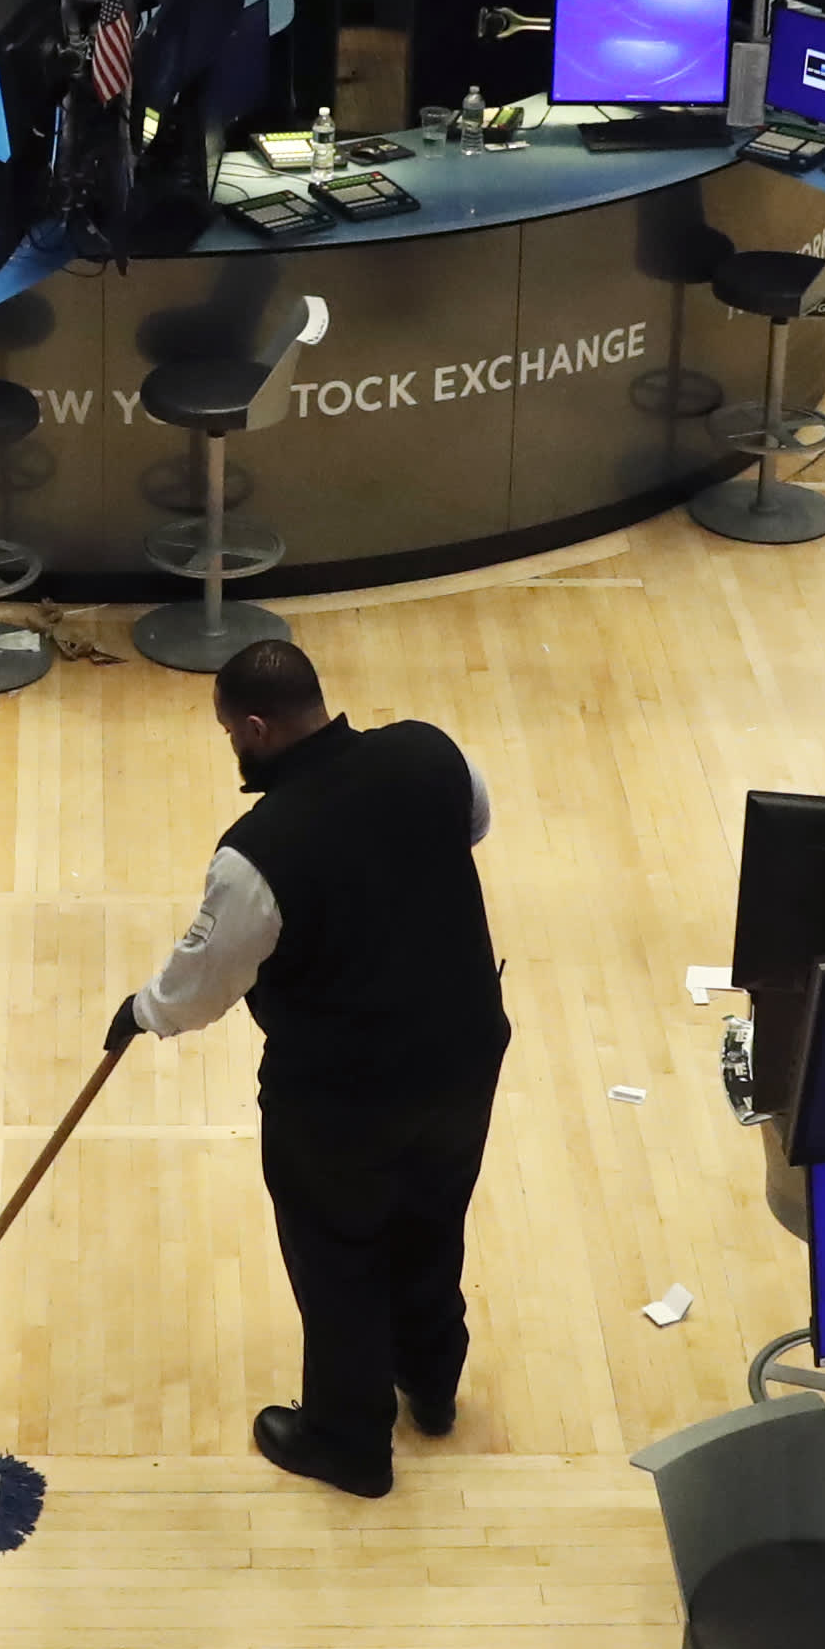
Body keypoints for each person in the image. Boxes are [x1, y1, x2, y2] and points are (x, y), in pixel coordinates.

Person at [111, 637, 512, 1500]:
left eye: (230, 735)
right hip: (463, 1052)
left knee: (338, 1252)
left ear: (255, 727)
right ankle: (432, 1384)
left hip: (342, 1095)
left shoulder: (258, 851)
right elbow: (472, 824)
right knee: (433, 1216)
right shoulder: (429, 750)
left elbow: (205, 983)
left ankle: (348, 1439)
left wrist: (142, 1011)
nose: (234, 751)